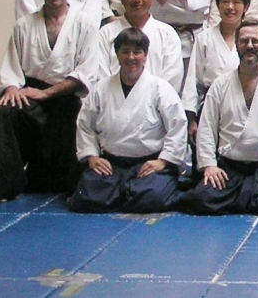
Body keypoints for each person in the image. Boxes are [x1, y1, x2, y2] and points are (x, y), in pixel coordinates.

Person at [0, 0, 100, 204]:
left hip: (68, 96)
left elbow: (86, 73)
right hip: (31, 92)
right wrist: (12, 88)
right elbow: (12, 66)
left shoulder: (85, 24)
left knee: (63, 173)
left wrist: (47, 94)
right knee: (7, 111)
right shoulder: (24, 25)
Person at [184, 20, 258, 215]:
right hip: (229, 169)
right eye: (244, 41)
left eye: (255, 41)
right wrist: (210, 165)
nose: (249, 45)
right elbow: (207, 128)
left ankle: (242, 197)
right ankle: (246, 196)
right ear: (236, 44)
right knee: (202, 198)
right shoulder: (220, 85)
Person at [68, 28, 188, 213]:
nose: (131, 57)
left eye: (137, 52)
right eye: (125, 51)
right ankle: (123, 192)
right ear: (117, 55)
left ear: (145, 56)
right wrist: (92, 156)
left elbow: (177, 127)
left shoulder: (160, 88)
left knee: (152, 198)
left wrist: (163, 161)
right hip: (111, 164)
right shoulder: (100, 89)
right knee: (86, 197)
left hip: (148, 164)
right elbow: (85, 125)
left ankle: (121, 193)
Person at [183, 0, 258, 142]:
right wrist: (191, 119)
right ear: (218, 5)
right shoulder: (205, 38)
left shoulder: (254, 39)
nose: (230, 7)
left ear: (246, 6)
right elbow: (193, 80)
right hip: (212, 107)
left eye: (236, 2)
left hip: (249, 106)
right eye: (225, 1)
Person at [96, 0, 184, 93]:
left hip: (156, 101)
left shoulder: (167, 34)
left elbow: (173, 76)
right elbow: (101, 74)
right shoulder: (105, 33)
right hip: (113, 100)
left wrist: (147, 99)